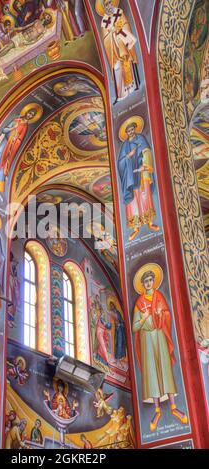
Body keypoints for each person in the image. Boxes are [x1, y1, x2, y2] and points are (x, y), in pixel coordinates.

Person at [133, 265, 188, 432]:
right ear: (142, 284)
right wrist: (143, 319)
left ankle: (173, 407)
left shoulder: (159, 297)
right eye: (146, 281)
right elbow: (135, 327)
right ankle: (157, 410)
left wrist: (159, 314)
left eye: (150, 280)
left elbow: (167, 315)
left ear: (154, 282)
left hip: (160, 336)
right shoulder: (139, 302)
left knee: (164, 370)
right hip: (147, 340)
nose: (148, 283)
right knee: (152, 374)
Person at [118, 117, 159, 241]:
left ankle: (150, 222)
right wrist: (127, 157)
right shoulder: (125, 145)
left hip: (141, 173)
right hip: (130, 176)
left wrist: (144, 163)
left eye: (132, 129)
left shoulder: (141, 139)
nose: (131, 132)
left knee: (145, 196)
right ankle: (136, 228)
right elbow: (120, 163)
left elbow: (147, 151)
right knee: (134, 201)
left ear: (135, 129)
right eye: (128, 131)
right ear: (126, 133)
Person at [0, 103, 43, 196]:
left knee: (4, 167)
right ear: (26, 112)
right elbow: (4, 130)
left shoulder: (25, 126)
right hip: (4, 142)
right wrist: (11, 128)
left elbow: (20, 140)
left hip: (11, 148)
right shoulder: (16, 120)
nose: (30, 115)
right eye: (30, 113)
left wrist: (15, 139)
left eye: (32, 115)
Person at [98, 0, 140, 103]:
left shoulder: (119, 12)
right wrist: (111, 33)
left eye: (110, 3)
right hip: (115, 51)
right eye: (106, 4)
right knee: (117, 68)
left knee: (128, 63)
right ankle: (122, 94)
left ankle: (132, 86)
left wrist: (120, 30)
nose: (109, 6)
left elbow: (126, 24)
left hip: (124, 45)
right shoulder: (104, 21)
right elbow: (105, 40)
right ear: (103, 7)